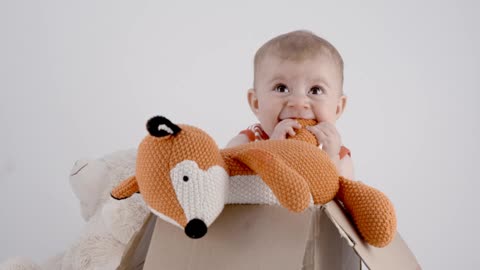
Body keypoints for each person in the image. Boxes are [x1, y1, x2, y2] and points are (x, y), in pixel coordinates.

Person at [226, 30, 354, 179]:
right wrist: (271, 151)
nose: (299, 103)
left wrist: (330, 159)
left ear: (338, 108)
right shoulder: (246, 142)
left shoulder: (339, 155)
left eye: (315, 90)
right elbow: (223, 182)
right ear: (256, 103)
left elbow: (340, 197)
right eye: (281, 88)